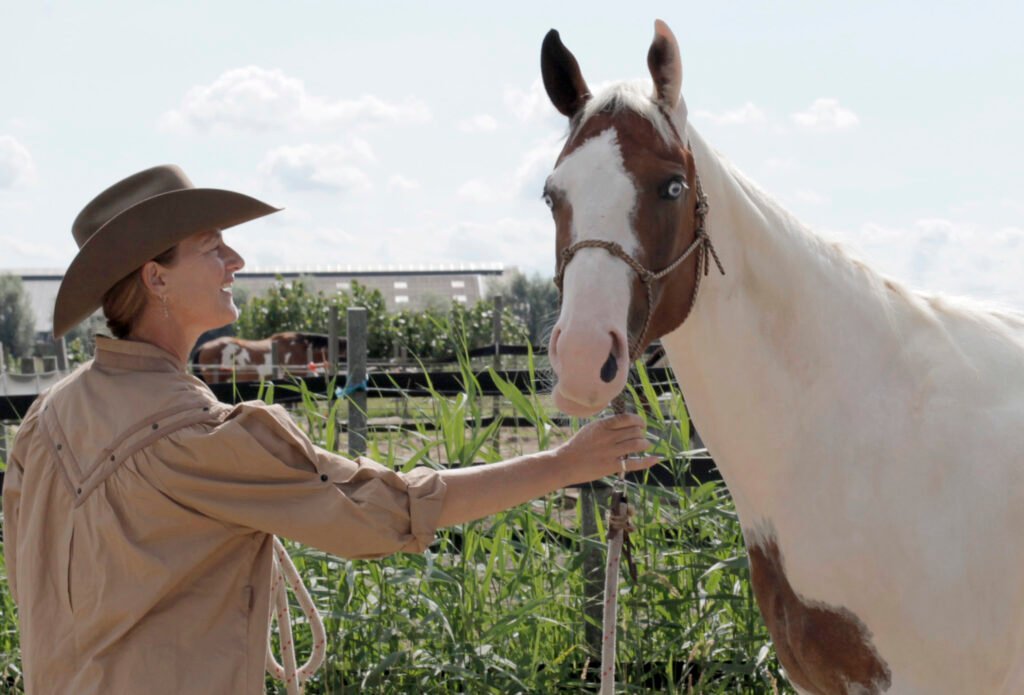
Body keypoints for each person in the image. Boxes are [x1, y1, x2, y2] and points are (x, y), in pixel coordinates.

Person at [1, 165, 657, 694]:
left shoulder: (45, 420)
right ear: (156, 278)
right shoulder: (195, 435)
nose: (236, 258)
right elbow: (386, 510)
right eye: (212, 246)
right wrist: (565, 464)